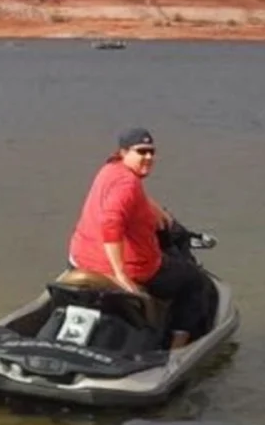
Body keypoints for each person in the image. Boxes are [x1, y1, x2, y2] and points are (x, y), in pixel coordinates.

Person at [68, 127, 215, 349]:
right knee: (194, 282)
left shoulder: (110, 170)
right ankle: (177, 349)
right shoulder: (128, 185)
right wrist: (120, 274)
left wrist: (154, 209)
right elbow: (111, 223)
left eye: (151, 152)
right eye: (141, 152)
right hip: (129, 267)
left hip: (80, 259)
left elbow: (126, 199)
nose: (148, 157)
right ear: (124, 152)